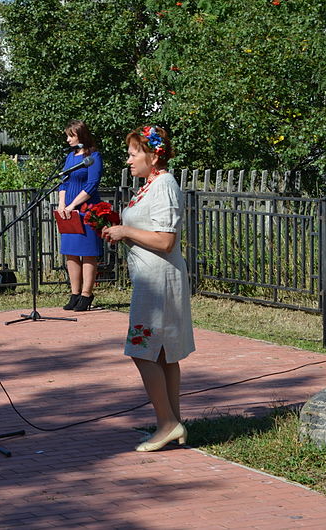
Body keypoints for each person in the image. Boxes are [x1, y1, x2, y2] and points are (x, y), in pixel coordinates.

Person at [102, 126, 195, 452]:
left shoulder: (165, 186)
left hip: (159, 284)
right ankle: (171, 423)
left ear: (153, 155)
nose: (128, 160)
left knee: (142, 351)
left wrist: (125, 230)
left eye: (133, 153)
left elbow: (166, 241)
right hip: (150, 280)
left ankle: (168, 422)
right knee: (162, 354)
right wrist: (119, 230)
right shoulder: (150, 186)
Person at [55, 120, 103, 312]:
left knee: (88, 252)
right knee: (71, 252)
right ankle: (74, 293)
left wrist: (74, 205)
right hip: (68, 210)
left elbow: (92, 184)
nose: (67, 139)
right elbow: (64, 182)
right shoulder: (70, 157)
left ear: (81, 136)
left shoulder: (94, 156)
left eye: (71, 136)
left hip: (87, 209)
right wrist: (61, 205)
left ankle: (86, 294)